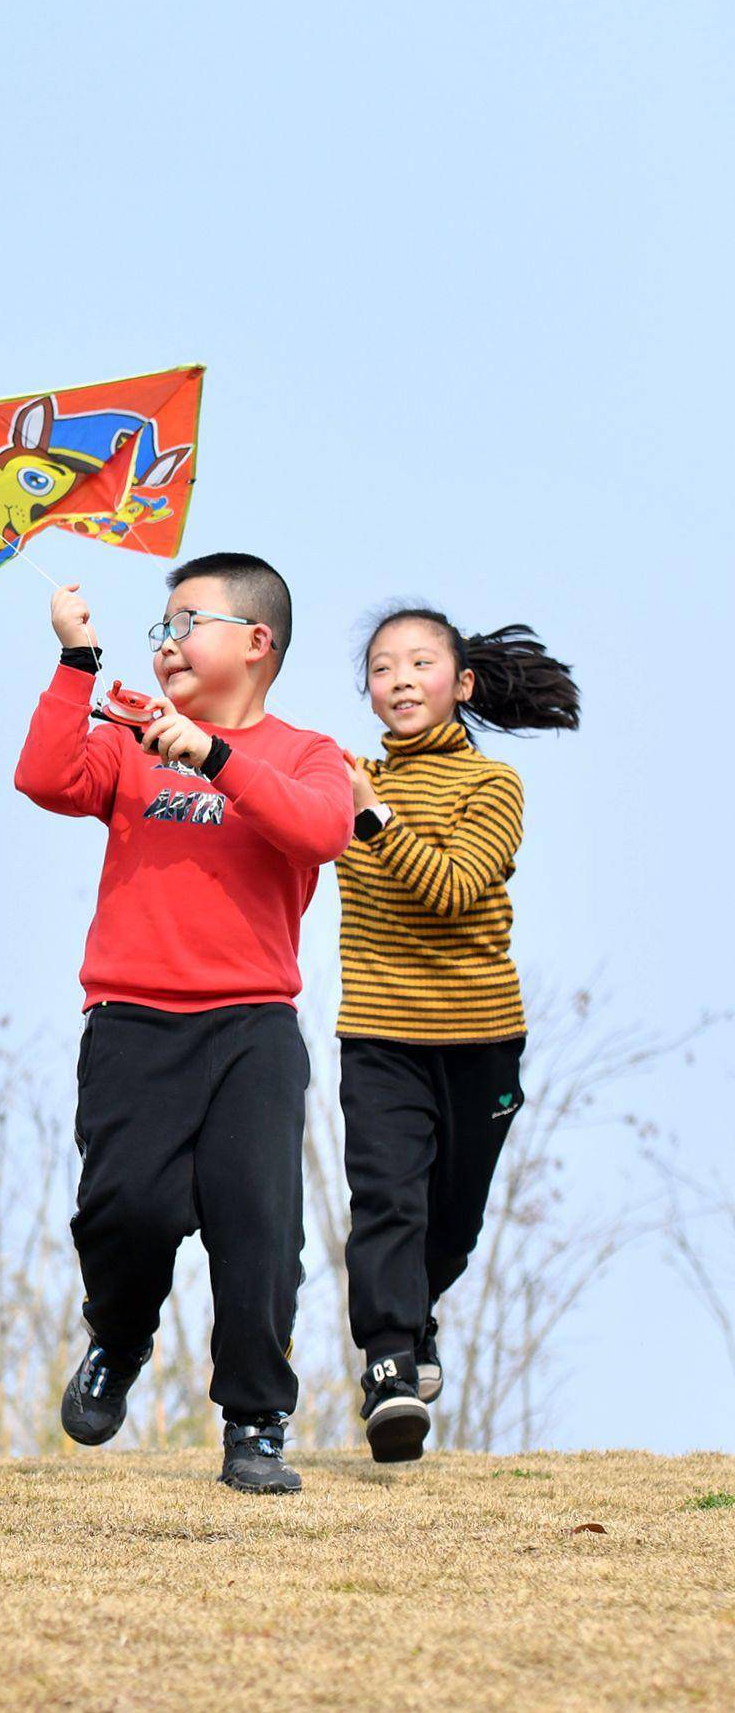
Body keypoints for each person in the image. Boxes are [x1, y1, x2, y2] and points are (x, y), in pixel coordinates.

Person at [16, 554, 350, 1494]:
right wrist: (78, 662)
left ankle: (255, 1420)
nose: (164, 645)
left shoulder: (307, 752)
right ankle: (118, 1337)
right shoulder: (128, 739)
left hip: (252, 1025)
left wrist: (211, 756)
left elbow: (320, 831)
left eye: (185, 623)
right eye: (157, 630)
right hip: (131, 1021)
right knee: (128, 1209)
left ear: (256, 641)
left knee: (258, 1225)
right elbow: (42, 776)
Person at [333, 609, 578, 1462]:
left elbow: (453, 891)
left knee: (451, 1223)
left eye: (420, 662)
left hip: (479, 1040)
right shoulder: (348, 776)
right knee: (387, 1201)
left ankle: (416, 1315)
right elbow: (253, 789)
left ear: (461, 683)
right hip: (378, 1033)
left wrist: (372, 817)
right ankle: (390, 1364)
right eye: (381, 667)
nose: (398, 679)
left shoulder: (494, 785)